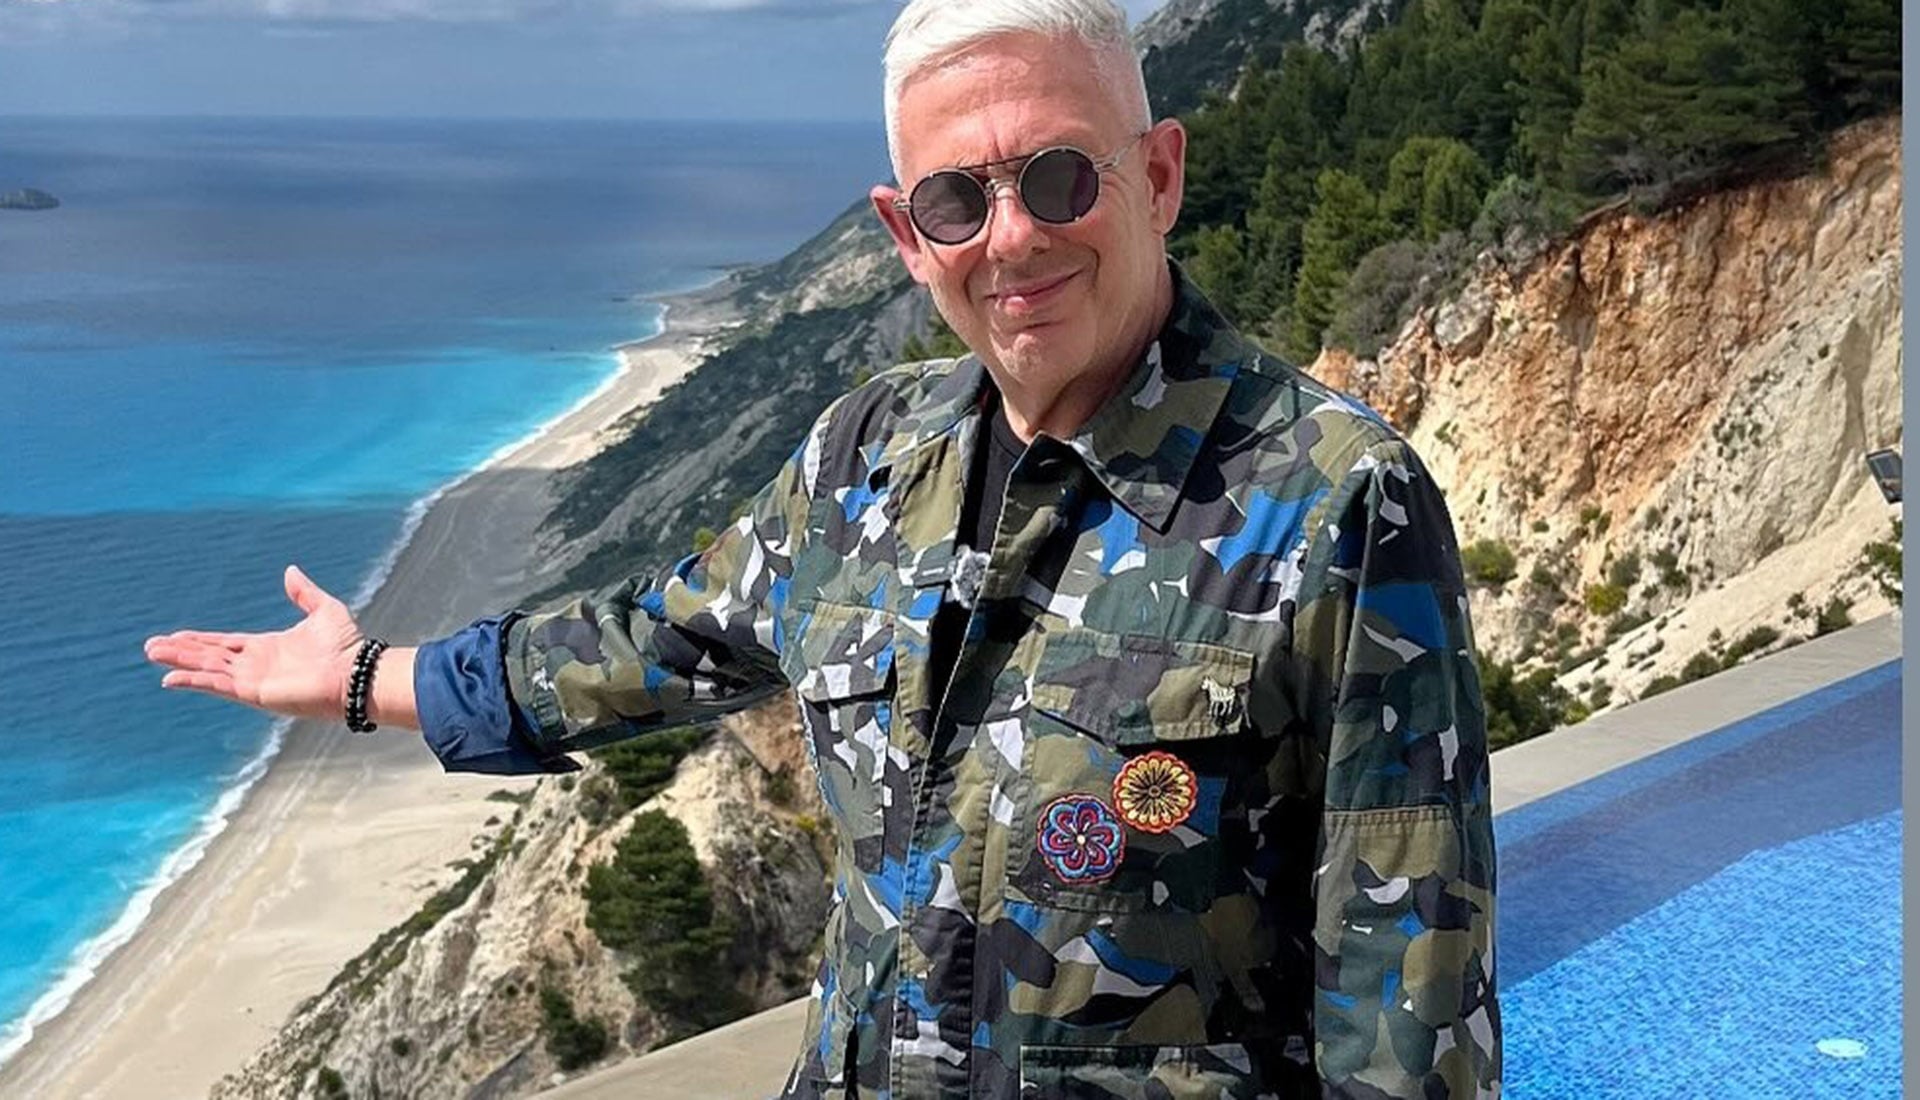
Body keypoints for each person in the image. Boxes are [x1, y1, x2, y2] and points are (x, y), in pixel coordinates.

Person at [143, 1, 1501, 1096]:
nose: (1014, 237)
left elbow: (1407, 985)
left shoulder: (1334, 501)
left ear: (1158, 175)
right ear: (908, 237)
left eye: (1060, 177)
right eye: (958, 201)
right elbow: (657, 642)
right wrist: (371, 678)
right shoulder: (865, 459)